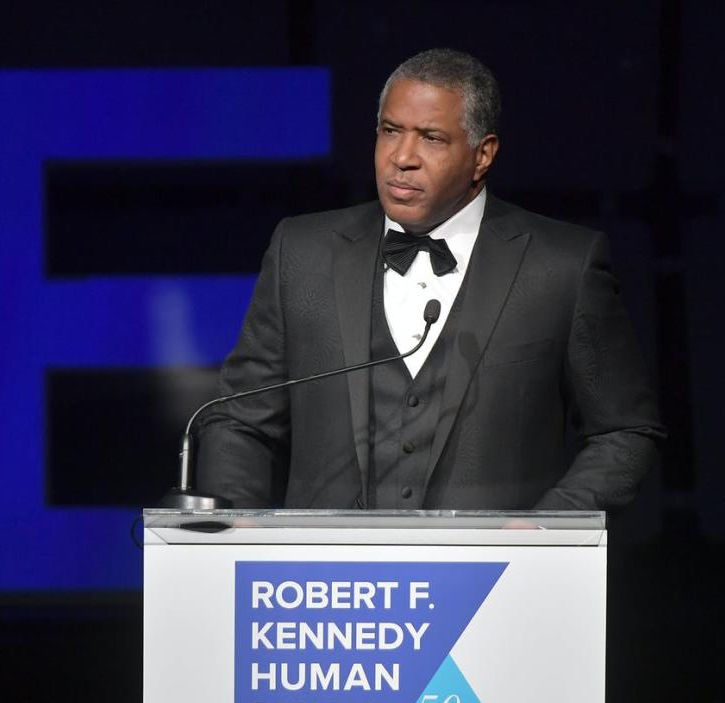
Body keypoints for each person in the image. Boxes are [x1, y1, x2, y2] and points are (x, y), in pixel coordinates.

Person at [198, 46, 664, 515]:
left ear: (482, 155)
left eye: (432, 138)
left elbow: (624, 432)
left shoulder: (562, 265)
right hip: (328, 580)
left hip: (494, 579)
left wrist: (545, 531)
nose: (402, 157)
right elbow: (240, 420)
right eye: (390, 131)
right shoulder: (302, 251)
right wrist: (234, 526)